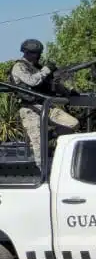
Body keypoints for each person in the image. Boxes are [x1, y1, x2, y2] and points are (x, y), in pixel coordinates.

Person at [9, 39, 79, 167]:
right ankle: (44, 177)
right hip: (30, 109)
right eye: (36, 53)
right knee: (39, 148)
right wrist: (46, 70)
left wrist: (69, 91)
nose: (38, 56)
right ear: (28, 53)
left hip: (46, 106)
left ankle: (48, 135)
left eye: (39, 53)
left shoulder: (38, 68)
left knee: (73, 124)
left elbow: (52, 84)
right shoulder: (19, 67)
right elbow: (32, 81)